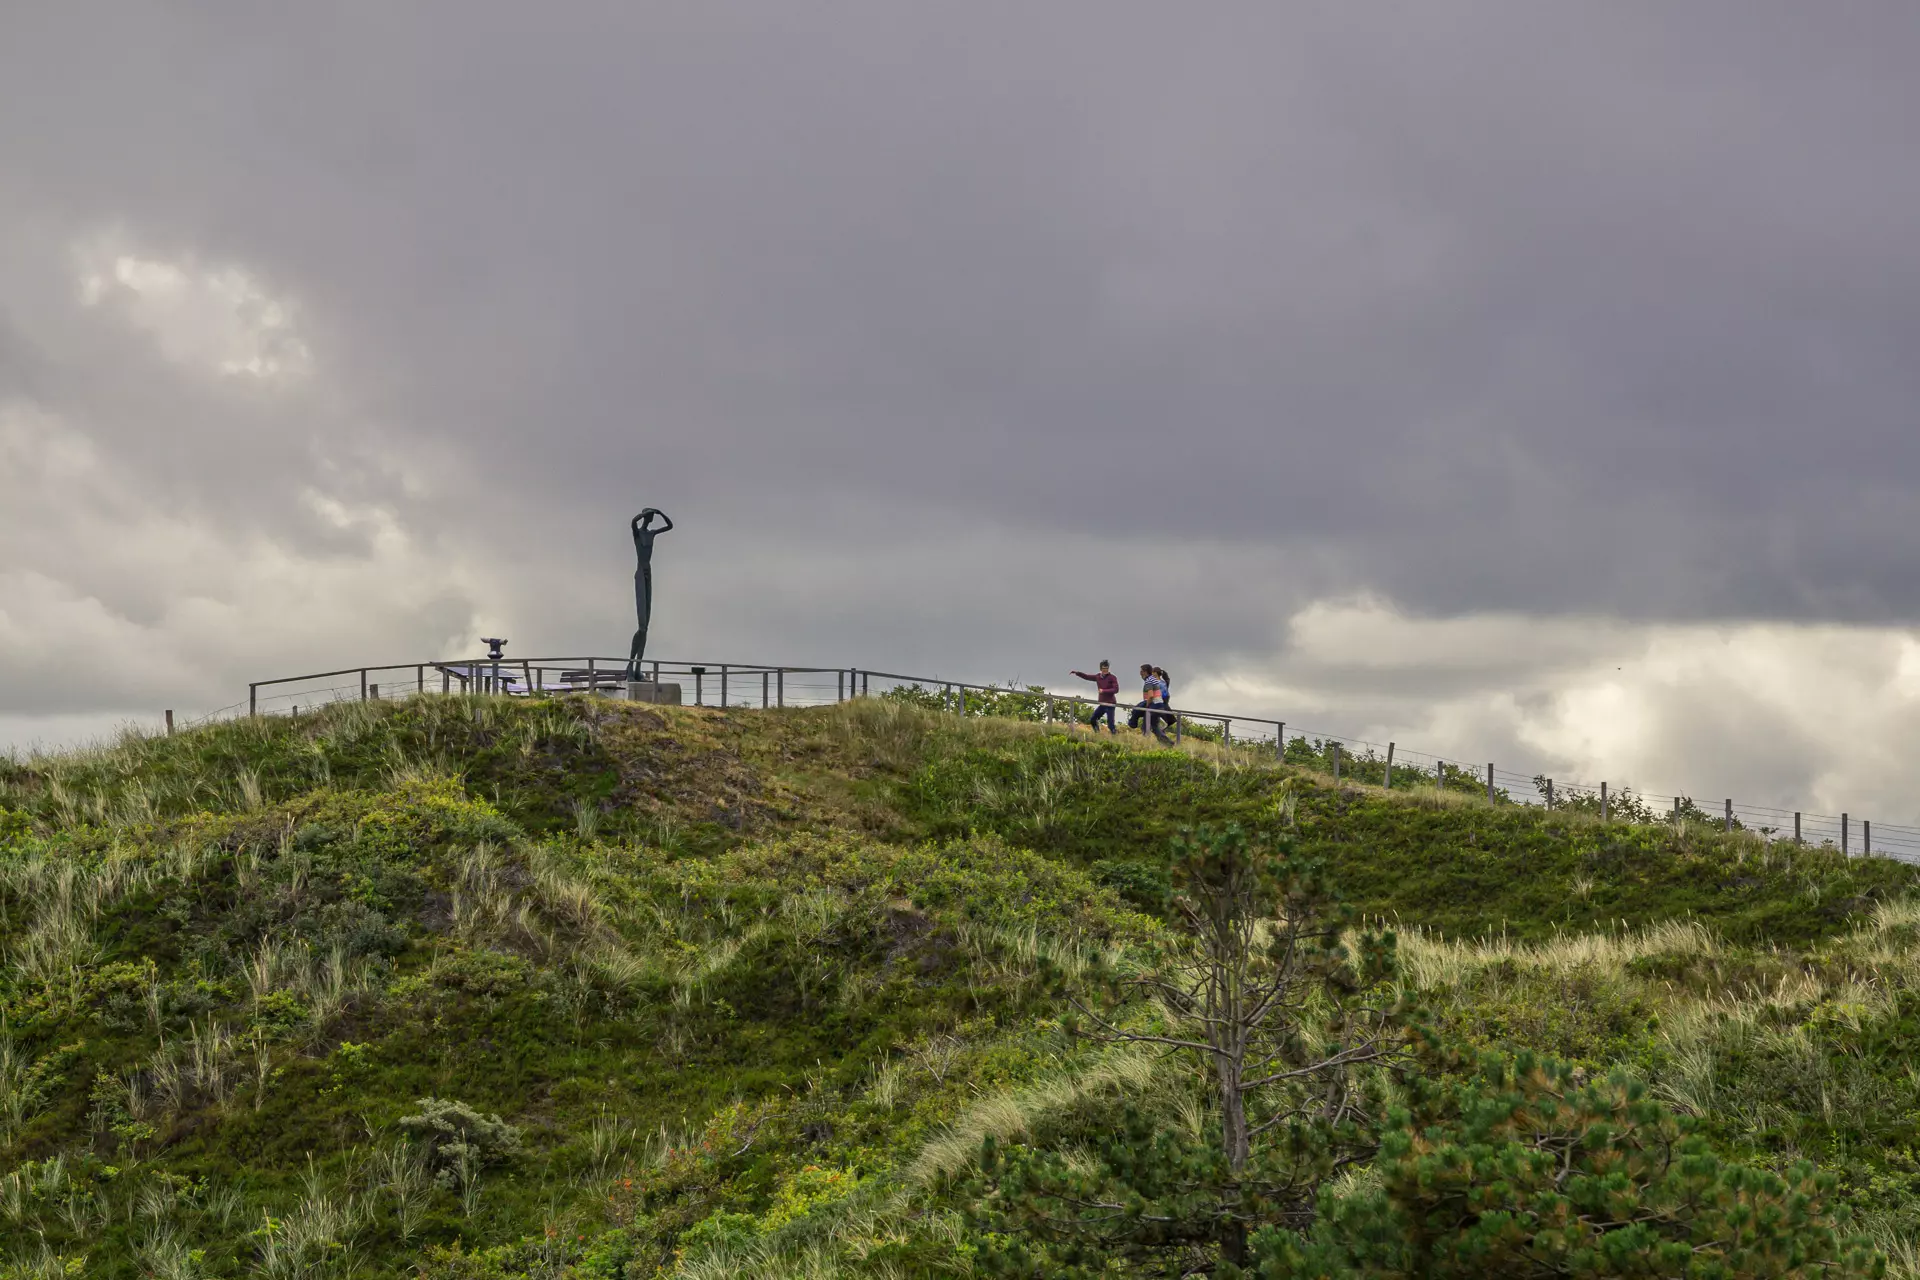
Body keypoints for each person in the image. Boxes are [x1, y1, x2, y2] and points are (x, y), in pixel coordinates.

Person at [1070, 660, 1120, 732]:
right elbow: (1087, 677)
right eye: (1103, 668)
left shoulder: (1112, 677)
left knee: (1110, 725)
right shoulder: (1098, 677)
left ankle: (1115, 736)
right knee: (1093, 720)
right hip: (1102, 704)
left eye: (1106, 668)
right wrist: (1077, 673)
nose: (1105, 670)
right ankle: (1097, 734)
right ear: (1100, 669)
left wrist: (1103, 691)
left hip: (1110, 704)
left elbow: (1116, 689)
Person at [1134, 663, 1172, 744]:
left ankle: (1145, 742)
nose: (1140, 673)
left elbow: (1151, 696)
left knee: (1145, 725)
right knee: (1154, 726)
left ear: (1145, 672)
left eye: (1141, 671)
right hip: (1159, 704)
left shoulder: (1150, 681)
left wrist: (1147, 705)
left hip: (1154, 705)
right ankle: (1168, 743)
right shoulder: (1155, 680)